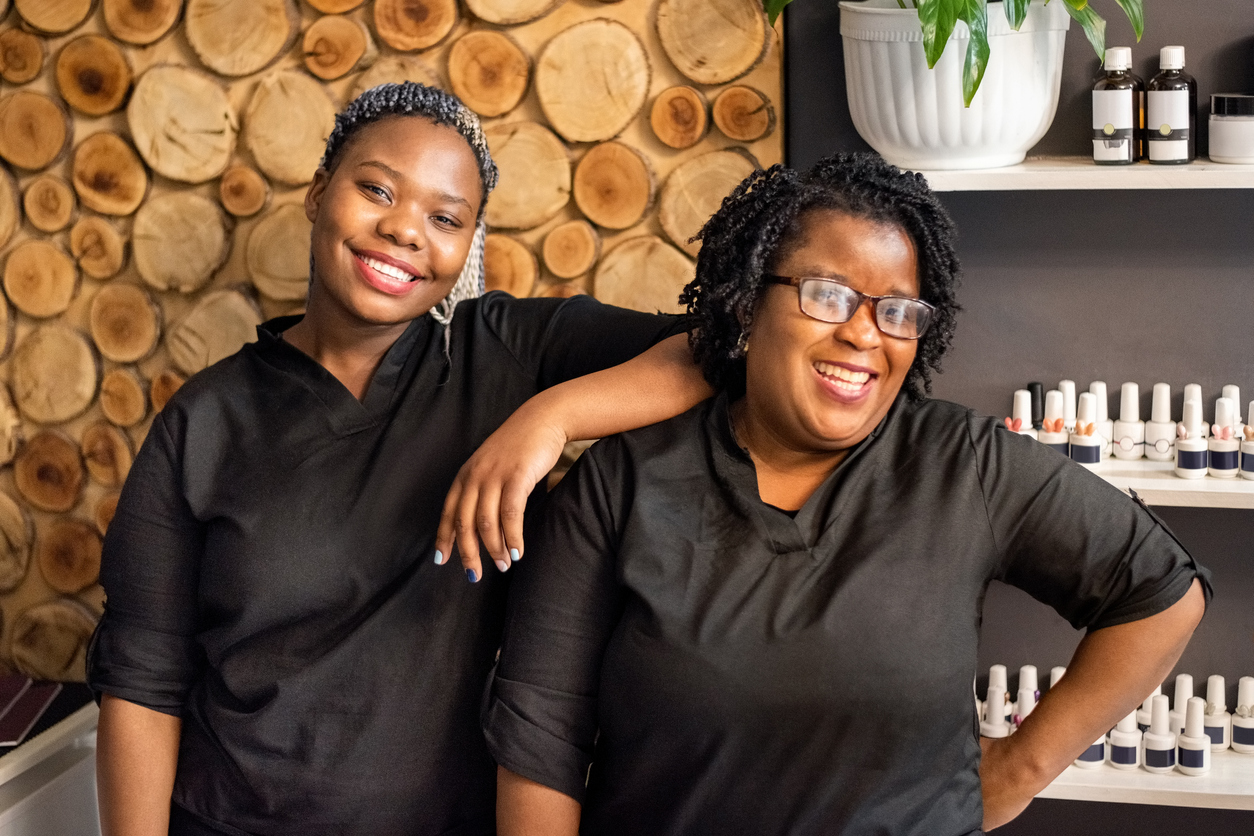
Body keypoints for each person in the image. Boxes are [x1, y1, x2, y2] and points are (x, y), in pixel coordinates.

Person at [484, 154, 1211, 835]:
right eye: (828, 296)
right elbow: (542, 735)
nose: (866, 335)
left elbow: (1159, 589)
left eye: (897, 310)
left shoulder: (966, 467)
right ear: (746, 306)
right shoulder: (623, 481)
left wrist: (1021, 767)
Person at [88, 83, 710, 836]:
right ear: (319, 194)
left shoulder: (508, 353)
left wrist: (550, 417)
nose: (404, 230)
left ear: (467, 246)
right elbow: (143, 682)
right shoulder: (205, 420)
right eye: (377, 189)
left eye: (445, 219)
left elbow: (720, 351)